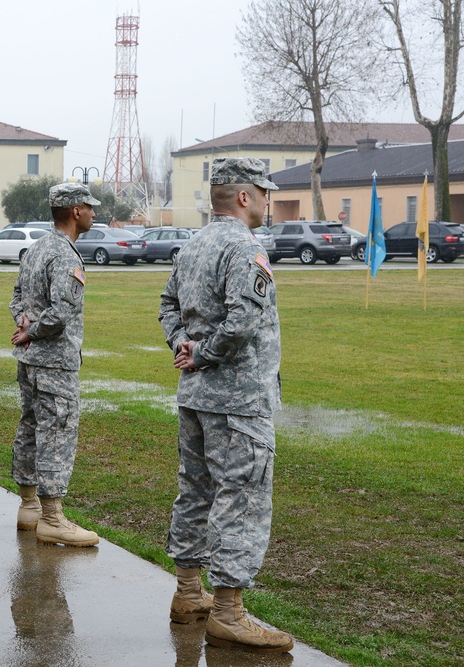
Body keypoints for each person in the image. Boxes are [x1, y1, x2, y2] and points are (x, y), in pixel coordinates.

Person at [158, 157, 293, 653]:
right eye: (264, 192)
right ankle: (228, 612)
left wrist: (184, 347)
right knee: (241, 497)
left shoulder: (193, 245)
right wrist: (206, 353)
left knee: (195, 492)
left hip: (195, 398)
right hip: (236, 401)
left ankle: (188, 593)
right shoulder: (243, 247)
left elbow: (167, 306)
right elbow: (242, 322)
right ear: (243, 196)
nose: (267, 201)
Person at [9, 182, 99, 548]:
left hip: (31, 360)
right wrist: (34, 330)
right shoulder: (63, 254)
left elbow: (17, 296)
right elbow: (63, 311)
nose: (94, 212)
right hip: (53, 362)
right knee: (56, 432)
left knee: (31, 426)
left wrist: (24, 324)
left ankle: (29, 506)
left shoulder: (36, 249)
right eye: (89, 207)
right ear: (76, 211)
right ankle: (52, 517)